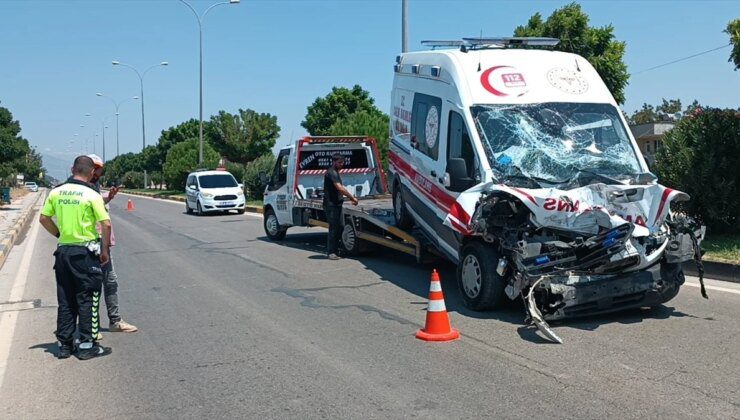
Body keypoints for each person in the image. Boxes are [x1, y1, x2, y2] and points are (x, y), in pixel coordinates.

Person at [39, 156, 112, 360]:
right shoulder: (91, 194)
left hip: (63, 253)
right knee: (88, 298)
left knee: (66, 300)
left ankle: (65, 345)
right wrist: (104, 250)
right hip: (85, 254)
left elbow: (44, 218)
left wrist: (59, 235)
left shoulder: (56, 192)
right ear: (91, 173)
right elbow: (106, 224)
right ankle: (87, 345)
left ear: (72, 169)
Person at [87, 154, 138, 336]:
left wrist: (108, 197)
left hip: (102, 242)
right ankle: (90, 329)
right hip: (92, 242)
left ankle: (114, 321)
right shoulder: (83, 187)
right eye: (96, 168)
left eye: (100, 169)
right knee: (93, 285)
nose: (98, 172)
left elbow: (97, 205)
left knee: (110, 282)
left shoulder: (94, 185)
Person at [323, 153, 358, 260]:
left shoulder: (336, 172)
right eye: (339, 162)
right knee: (334, 228)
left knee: (341, 226)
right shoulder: (331, 172)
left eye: (342, 162)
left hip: (337, 204)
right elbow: (340, 188)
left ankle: (337, 250)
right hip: (331, 205)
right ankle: (331, 252)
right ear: (334, 162)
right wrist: (352, 197)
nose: (341, 164)